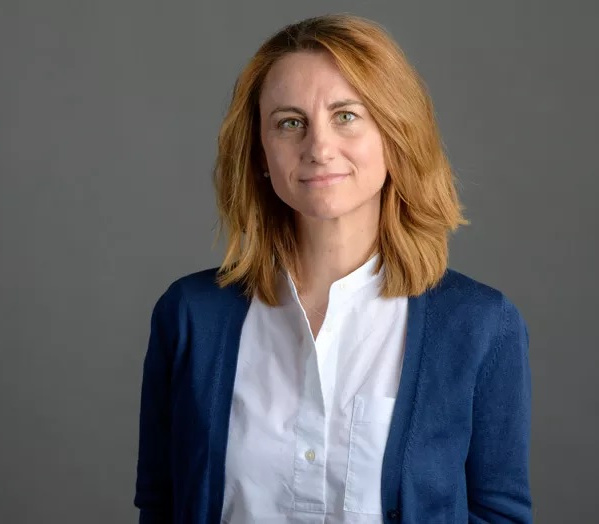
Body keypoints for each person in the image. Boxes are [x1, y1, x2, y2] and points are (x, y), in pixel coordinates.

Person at [134, 13, 532, 524]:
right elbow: (161, 504)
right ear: (260, 152)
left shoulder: (480, 326)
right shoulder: (189, 316)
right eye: (289, 122)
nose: (319, 149)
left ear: (395, 133)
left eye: (346, 115)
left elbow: (498, 514)